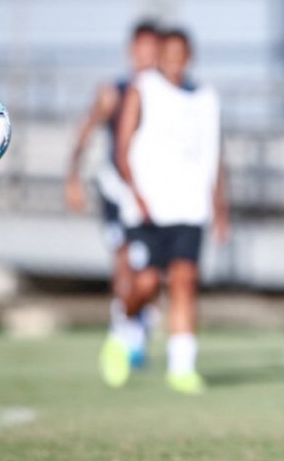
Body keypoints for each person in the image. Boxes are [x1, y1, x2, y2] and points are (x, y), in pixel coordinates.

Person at [99, 28, 230, 395]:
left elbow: (214, 155)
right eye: (168, 54)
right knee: (145, 283)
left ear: (190, 57)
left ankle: (182, 366)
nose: (175, 62)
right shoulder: (143, 88)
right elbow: (122, 147)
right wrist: (136, 194)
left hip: (190, 207)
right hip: (148, 207)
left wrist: (221, 208)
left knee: (185, 281)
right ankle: (122, 331)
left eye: (181, 55)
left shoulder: (206, 97)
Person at [66, 20, 161, 368]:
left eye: (155, 50)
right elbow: (85, 132)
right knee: (125, 257)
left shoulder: (167, 94)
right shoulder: (113, 91)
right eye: (142, 49)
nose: (148, 56)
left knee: (152, 268)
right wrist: (72, 177)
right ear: (131, 52)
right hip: (116, 189)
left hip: (155, 192)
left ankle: (137, 322)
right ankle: (125, 330)